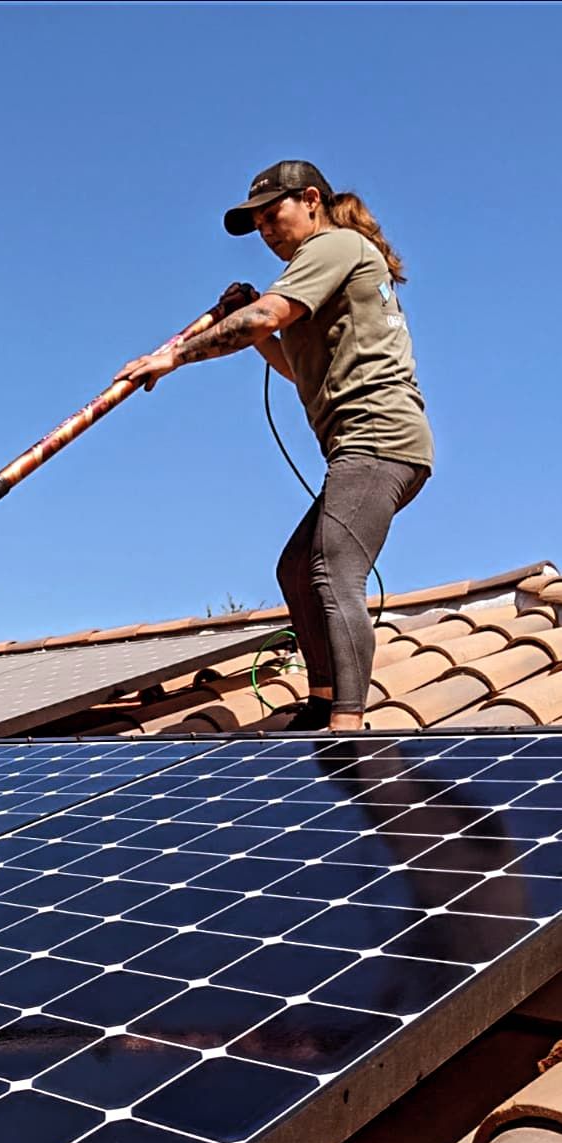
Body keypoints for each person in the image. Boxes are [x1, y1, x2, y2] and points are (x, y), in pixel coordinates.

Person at [115, 160, 433, 732]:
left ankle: (346, 725)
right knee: (296, 569)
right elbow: (293, 365)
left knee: (333, 570)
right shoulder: (330, 261)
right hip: (365, 445)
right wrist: (247, 320)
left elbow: (269, 315)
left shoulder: (333, 246)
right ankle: (323, 696)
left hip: (379, 440)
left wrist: (174, 356)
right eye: (256, 222)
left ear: (311, 199)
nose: (264, 230)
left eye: (272, 213)